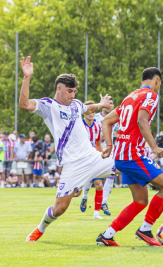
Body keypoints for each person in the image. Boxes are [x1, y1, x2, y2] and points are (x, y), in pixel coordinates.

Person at [19, 56, 117, 243]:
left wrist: (101, 105)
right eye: (69, 91)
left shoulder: (76, 104)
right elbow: (24, 104)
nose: (72, 95)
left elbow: (88, 108)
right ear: (59, 89)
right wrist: (27, 78)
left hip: (93, 157)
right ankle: (40, 229)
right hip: (72, 165)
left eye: (74, 91)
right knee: (60, 209)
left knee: (128, 164)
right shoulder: (49, 106)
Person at [95, 67, 163, 247]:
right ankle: (145, 229)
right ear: (157, 81)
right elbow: (142, 120)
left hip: (121, 156)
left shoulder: (129, 97)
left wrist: (109, 145)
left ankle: (107, 236)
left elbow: (106, 121)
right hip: (133, 154)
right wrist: (154, 147)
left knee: (140, 201)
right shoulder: (151, 96)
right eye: (160, 84)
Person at [79, 100, 106, 219]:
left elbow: (98, 142)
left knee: (99, 185)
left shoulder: (97, 127)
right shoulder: (79, 126)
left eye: (92, 111)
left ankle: (96, 213)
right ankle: (84, 196)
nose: (90, 113)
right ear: (84, 113)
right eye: (88, 111)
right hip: (82, 159)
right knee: (82, 184)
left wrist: (101, 156)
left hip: (94, 157)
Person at [93, 96, 117, 215]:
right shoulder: (96, 117)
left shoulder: (116, 116)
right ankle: (85, 196)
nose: (110, 105)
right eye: (108, 102)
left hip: (110, 149)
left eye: (112, 103)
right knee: (94, 176)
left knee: (112, 174)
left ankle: (104, 202)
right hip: (96, 149)